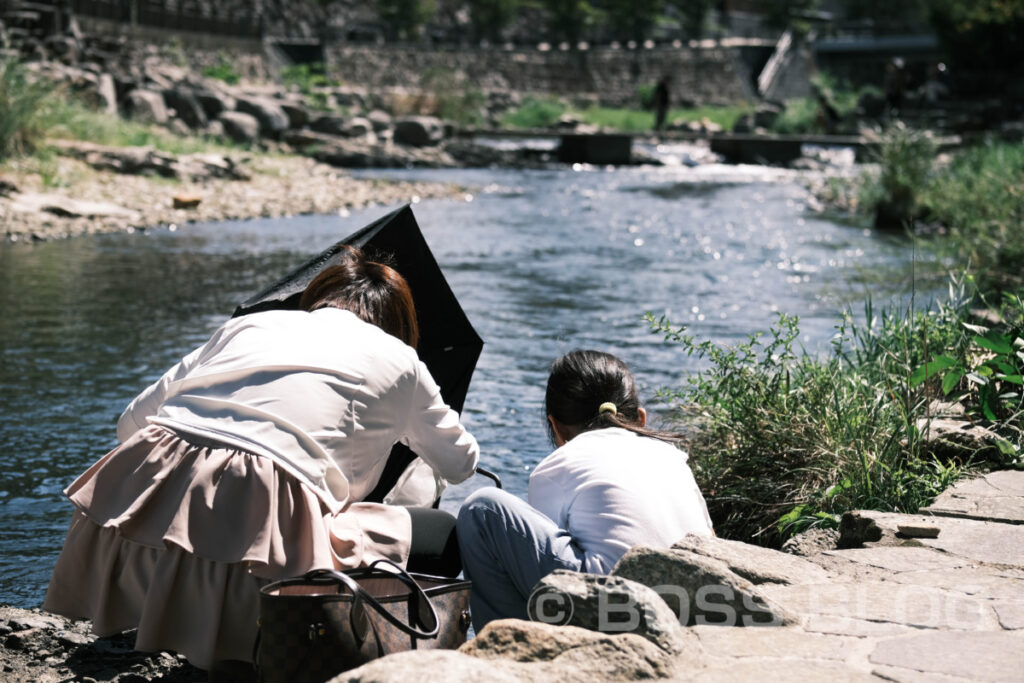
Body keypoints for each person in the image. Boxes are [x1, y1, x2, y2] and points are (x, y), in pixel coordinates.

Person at [43, 246, 479, 677]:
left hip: (118, 535)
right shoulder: (402, 360)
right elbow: (460, 464)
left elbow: (130, 425)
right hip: (251, 565)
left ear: (316, 298)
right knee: (446, 537)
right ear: (397, 324)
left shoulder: (250, 326)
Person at [456, 349, 712, 631]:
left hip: (616, 613)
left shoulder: (559, 465)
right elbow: (710, 541)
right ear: (641, 418)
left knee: (483, 509)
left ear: (556, 427)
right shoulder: (672, 457)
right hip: (700, 607)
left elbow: (541, 581)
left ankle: (505, 653)